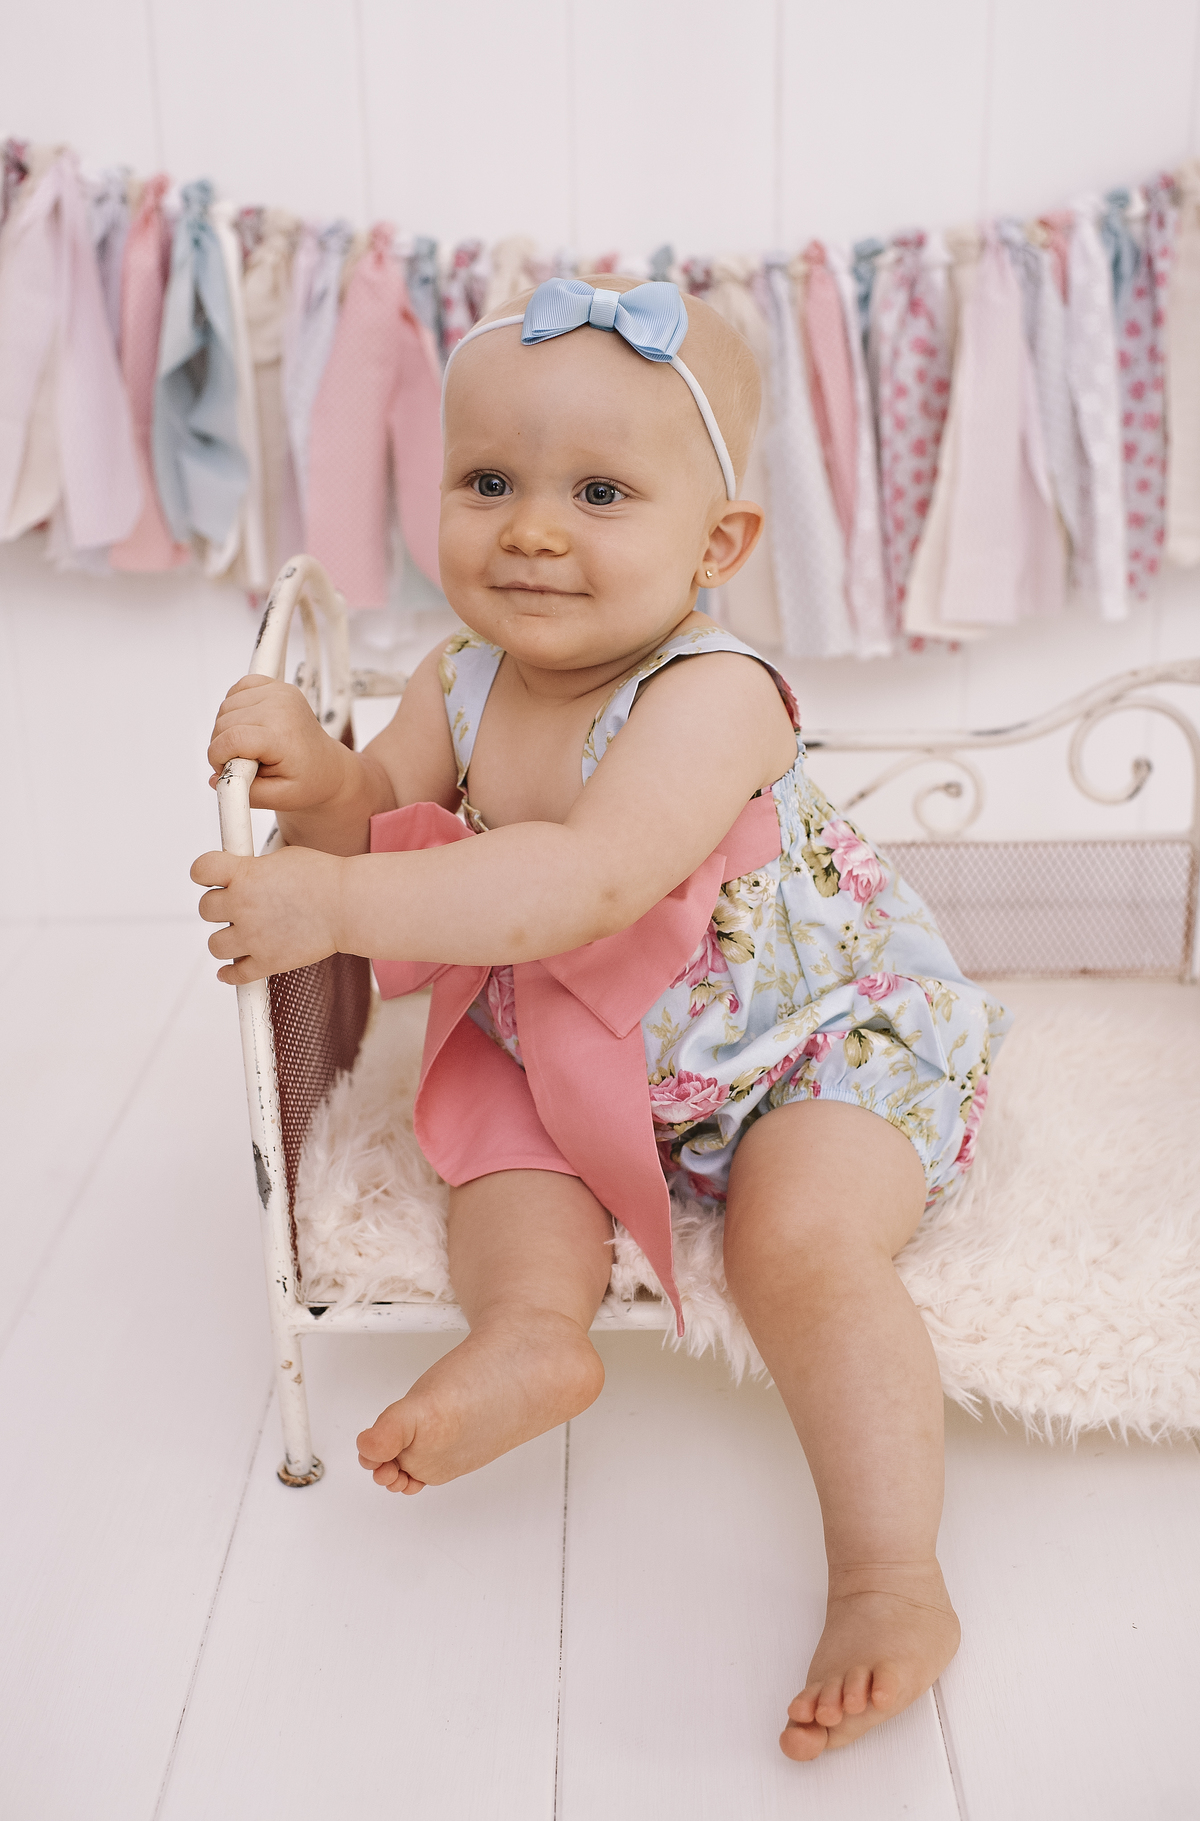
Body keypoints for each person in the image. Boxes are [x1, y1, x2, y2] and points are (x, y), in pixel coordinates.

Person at [193, 275, 1008, 1761]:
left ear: (716, 546)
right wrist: (315, 776)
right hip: (576, 1035)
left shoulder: (718, 693)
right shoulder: (462, 675)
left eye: (600, 491)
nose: (533, 528)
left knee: (798, 1246)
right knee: (495, 1149)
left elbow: (578, 879)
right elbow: (383, 812)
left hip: (806, 1041)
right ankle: (529, 1336)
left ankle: (892, 1575)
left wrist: (331, 910)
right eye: (489, 480)